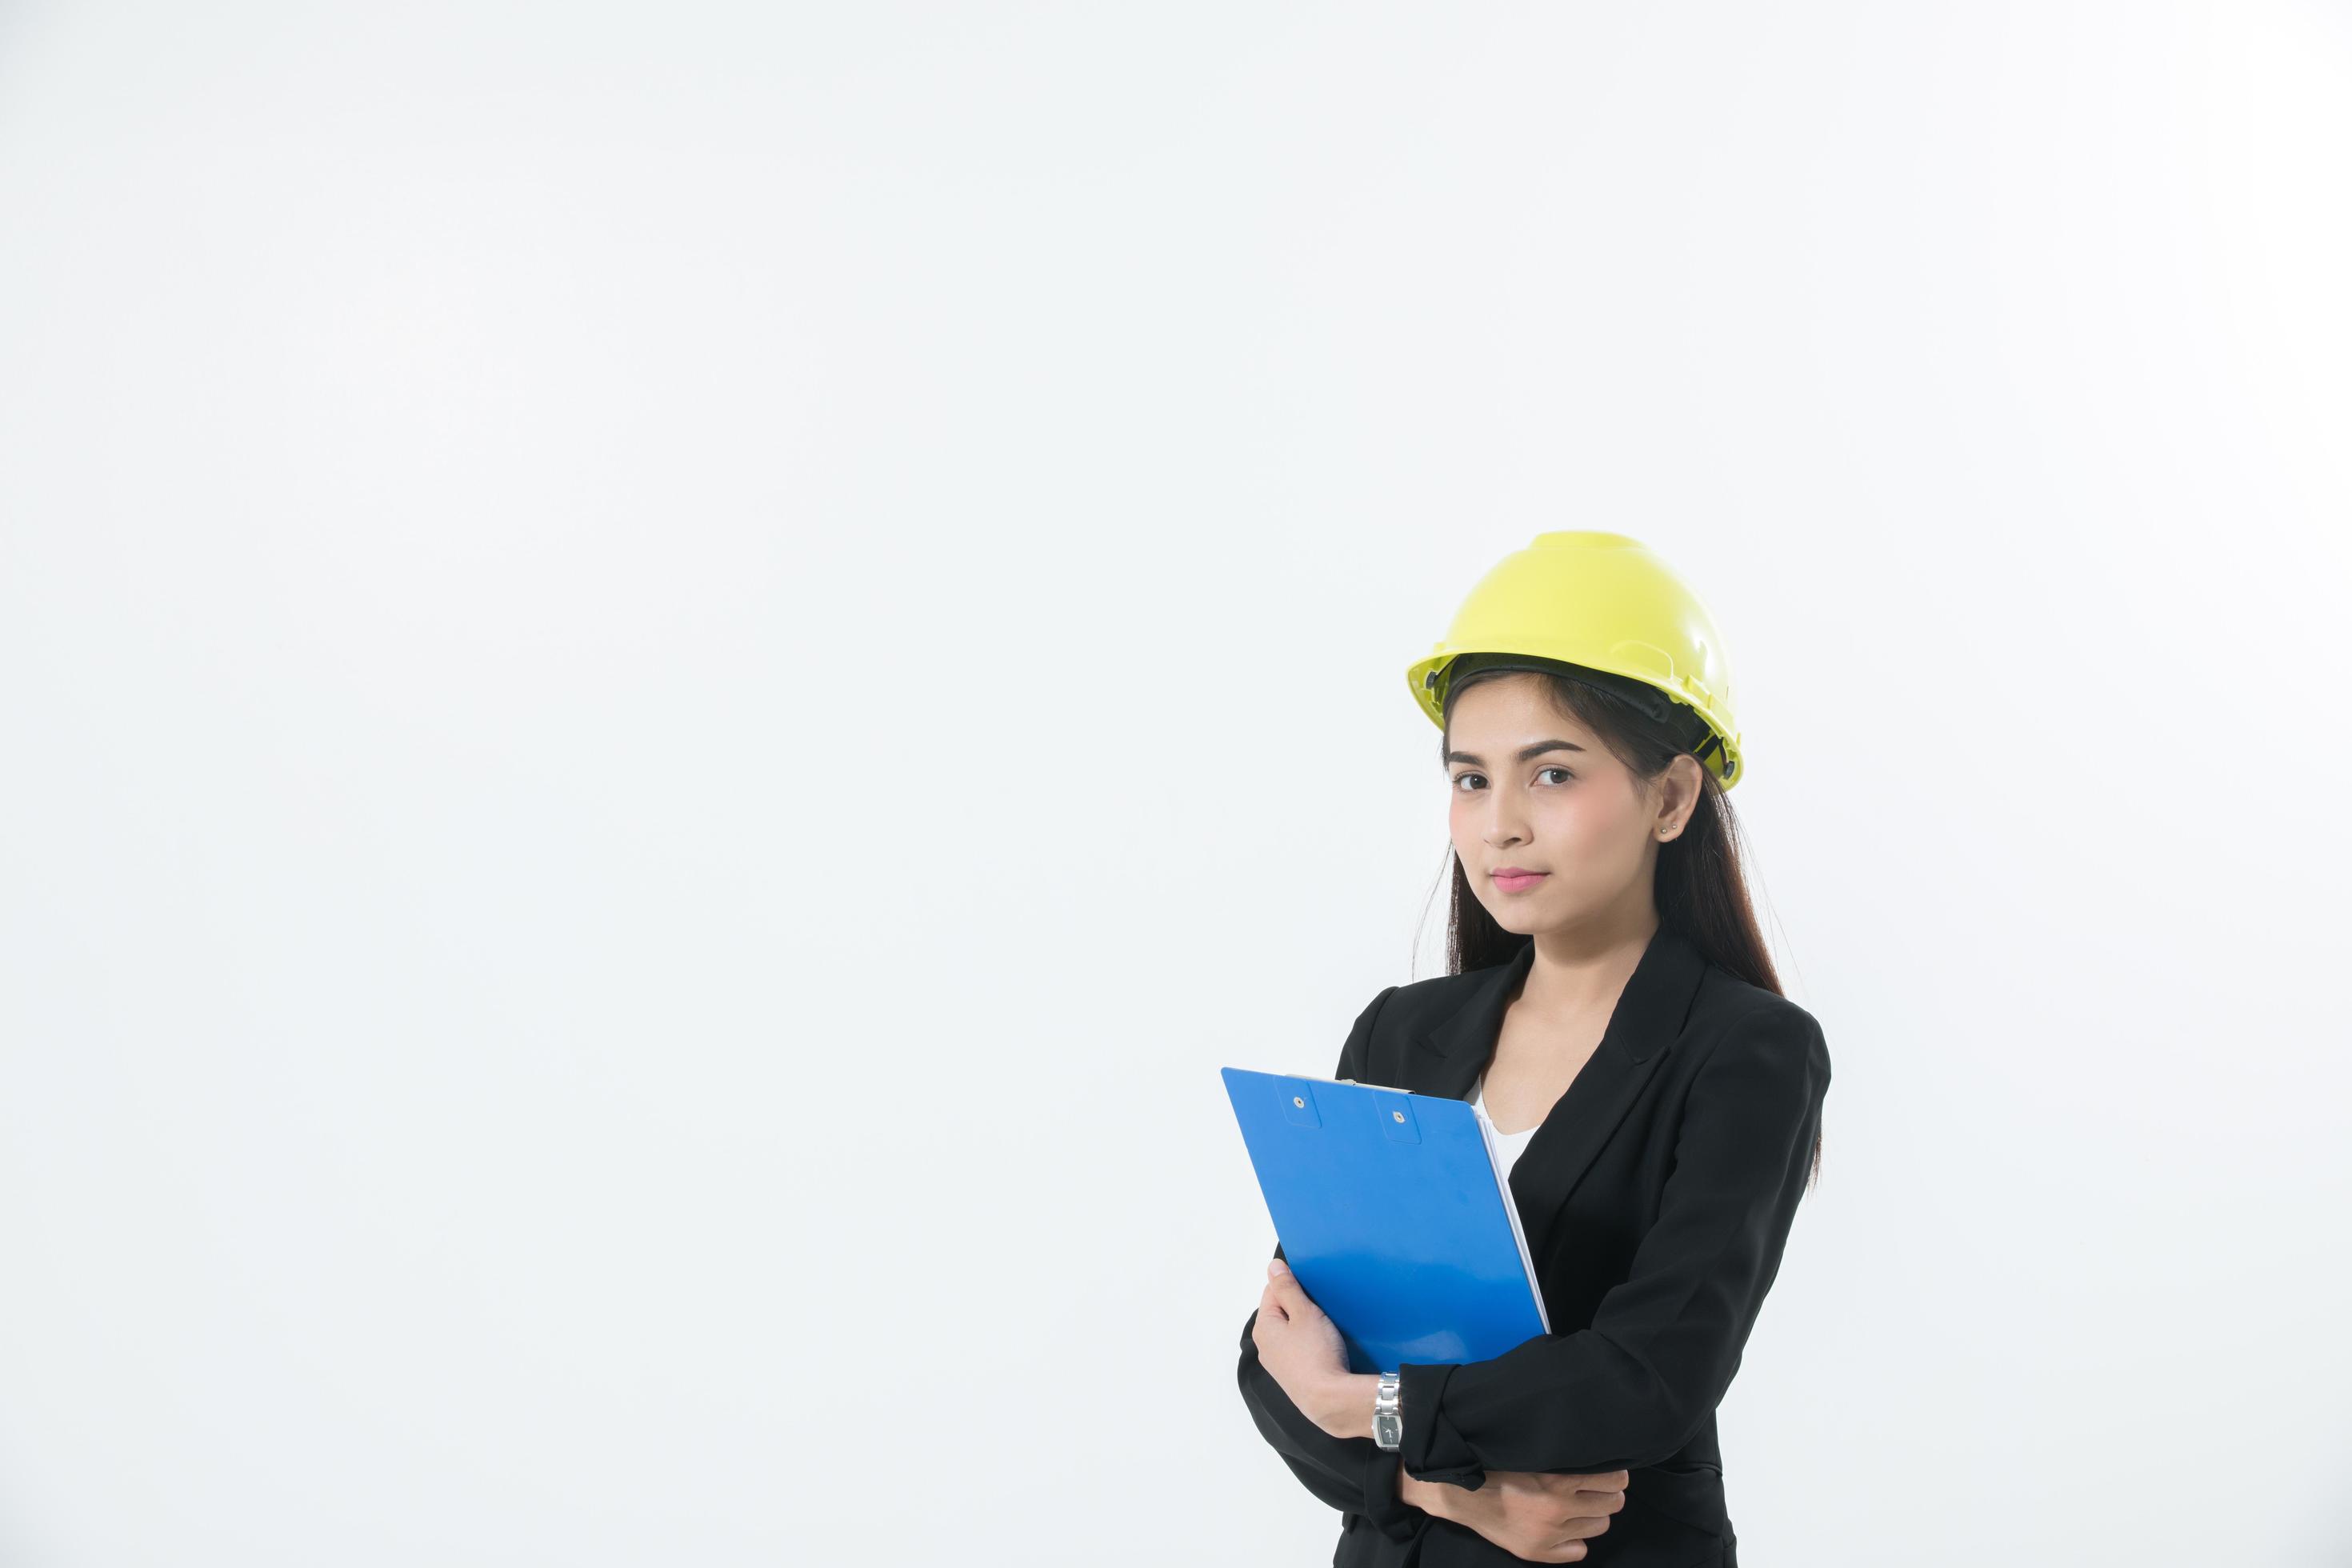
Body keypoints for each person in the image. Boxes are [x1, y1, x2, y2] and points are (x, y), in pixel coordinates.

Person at [1234, 531, 1832, 1566]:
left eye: (1551, 774)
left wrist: (1365, 1404)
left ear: (1672, 798)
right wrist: (1447, 1490)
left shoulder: (1749, 1055)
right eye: (1471, 779)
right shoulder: (1400, 1032)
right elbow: (1275, 1360)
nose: (1498, 825)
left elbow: (1643, 1379)